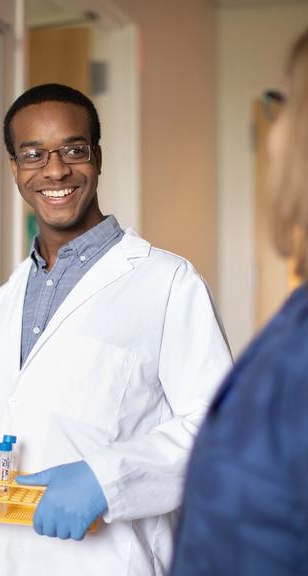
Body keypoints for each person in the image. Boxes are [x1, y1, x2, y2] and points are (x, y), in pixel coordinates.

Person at [0, 83, 231, 576]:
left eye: (73, 149)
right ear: (15, 169)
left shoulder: (167, 282)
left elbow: (219, 430)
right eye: (33, 154)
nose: (55, 169)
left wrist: (103, 480)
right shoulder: (1, 303)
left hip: (111, 561)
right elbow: (2, 453)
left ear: (98, 157)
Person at [170, 28, 308, 576]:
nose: (275, 131)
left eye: (290, 104)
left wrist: (107, 479)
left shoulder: (173, 280)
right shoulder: (292, 329)